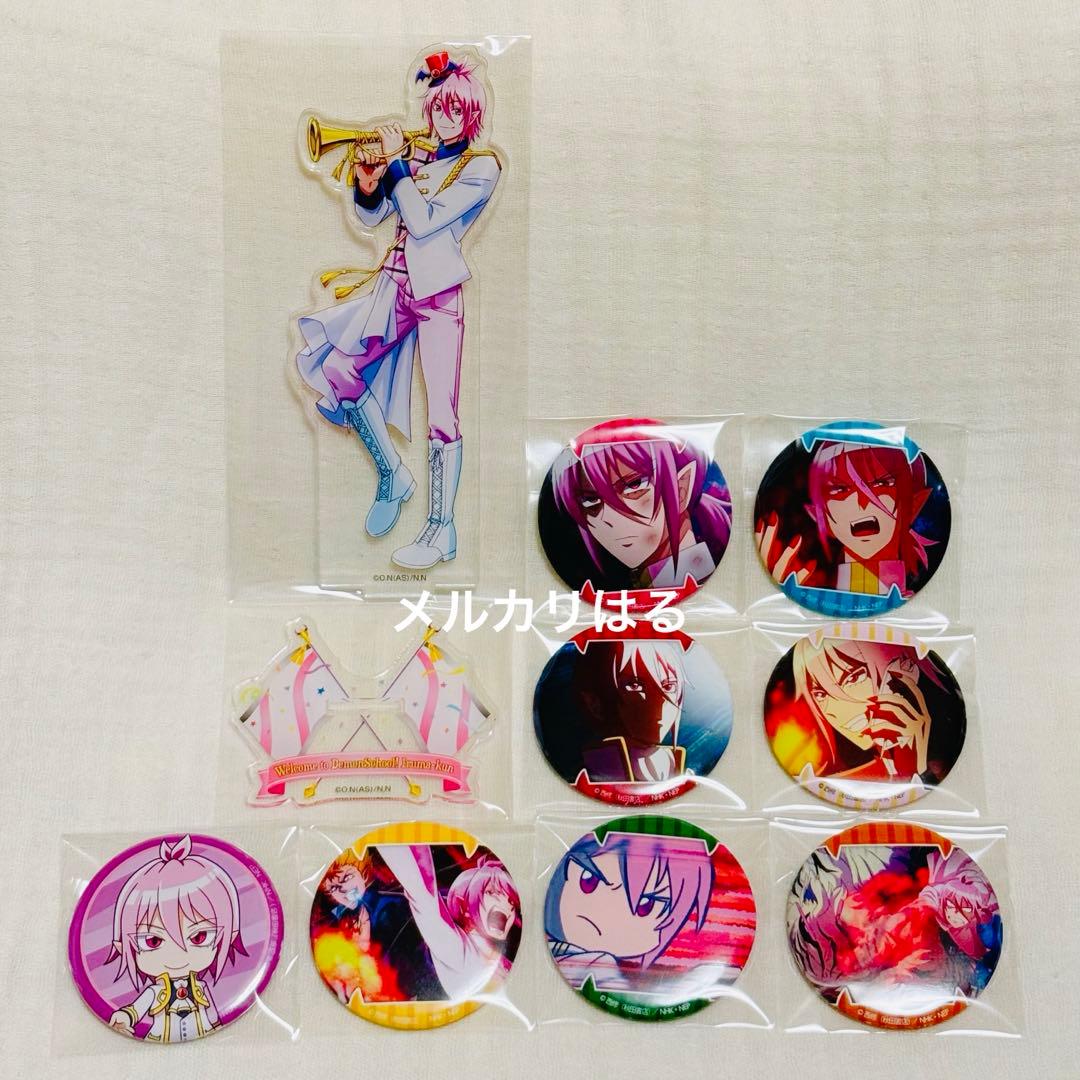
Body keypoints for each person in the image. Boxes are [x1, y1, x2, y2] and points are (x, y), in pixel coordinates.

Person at [296, 51, 500, 568]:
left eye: (456, 109)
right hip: (393, 285)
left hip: (438, 296)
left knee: (443, 414)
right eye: (439, 108)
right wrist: (369, 182)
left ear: (472, 114)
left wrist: (397, 167)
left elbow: (425, 221)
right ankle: (392, 474)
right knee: (338, 367)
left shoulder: (482, 166)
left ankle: (442, 529)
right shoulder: (418, 159)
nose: (445, 118)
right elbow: (375, 217)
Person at [107, 836, 241, 1042]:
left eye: (199, 937)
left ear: (228, 936)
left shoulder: (200, 989)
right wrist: (123, 1017)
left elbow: (216, 1018)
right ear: (123, 945)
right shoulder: (154, 992)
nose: (177, 955)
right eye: (153, 941)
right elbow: (134, 1010)